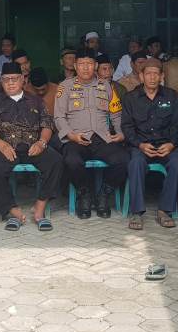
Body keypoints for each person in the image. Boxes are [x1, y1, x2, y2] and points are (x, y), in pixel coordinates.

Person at [0, 62, 62, 232]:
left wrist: (41, 143)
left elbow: (47, 125)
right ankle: (12, 210)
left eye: (14, 79)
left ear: (23, 80)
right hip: (7, 148)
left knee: (55, 160)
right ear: (1, 81)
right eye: (6, 80)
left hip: (33, 146)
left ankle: (40, 207)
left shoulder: (36, 101)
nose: (10, 83)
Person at [54, 48, 128, 219]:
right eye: (81, 64)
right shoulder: (65, 87)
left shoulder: (107, 86)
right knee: (71, 161)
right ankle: (84, 194)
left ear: (95, 65)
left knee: (123, 159)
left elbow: (115, 114)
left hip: (102, 138)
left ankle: (104, 194)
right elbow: (58, 116)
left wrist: (120, 133)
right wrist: (71, 135)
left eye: (89, 64)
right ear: (75, 66)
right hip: (76, 138)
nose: (85, 68)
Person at [121, 59, 178, 230]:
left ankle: (165, 210)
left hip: (166, 145)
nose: (152, 77)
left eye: (156, 74)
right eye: (148, 74)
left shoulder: (172, 96)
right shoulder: (131, 98)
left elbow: (177, 124)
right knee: (135, 163)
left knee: (177, 164)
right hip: (140, 146)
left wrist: (171, 144)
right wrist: (140, 145)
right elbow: (127, 128)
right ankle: (137, 212)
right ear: (141, 76)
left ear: (162, 76)